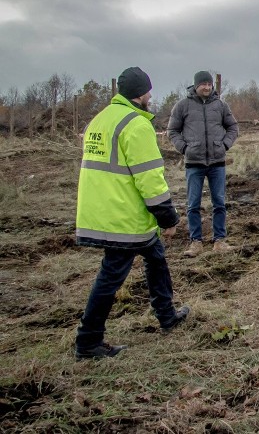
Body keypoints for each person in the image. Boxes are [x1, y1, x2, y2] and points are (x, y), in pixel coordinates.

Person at [74, 67, 190, 360]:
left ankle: (167, 316)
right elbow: (149, 179)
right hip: (123, 218)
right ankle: (88, 342)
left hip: (104, 211)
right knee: (111, 276)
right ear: (140, 94)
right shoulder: (136, 125)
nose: (151, 97)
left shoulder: (100, 120)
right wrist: (168, 218)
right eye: (149, 91)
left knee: (156, 258)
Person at [167, 71, 239, 257]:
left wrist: (224, 145)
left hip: (217, 162)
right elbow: (172, 131)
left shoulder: (221, 105)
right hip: (194, 163)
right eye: (203, 84)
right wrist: (185, 148)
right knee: (193, 205)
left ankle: (220, 241)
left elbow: (233, 127)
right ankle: (195, 243)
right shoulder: (183, 106)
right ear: (195, 86)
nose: (206, 87)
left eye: (209, 84)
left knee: (219, 203)